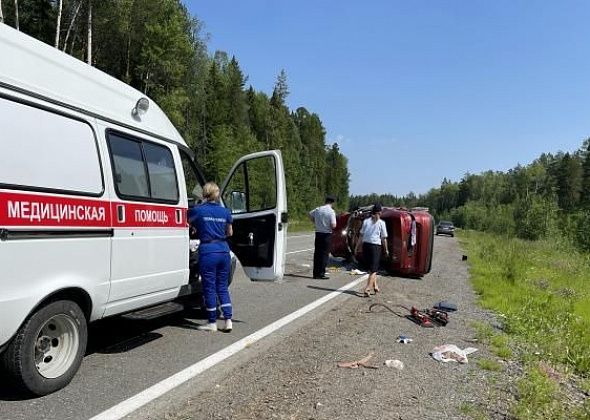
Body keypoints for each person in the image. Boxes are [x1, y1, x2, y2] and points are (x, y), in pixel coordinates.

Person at [189, 182, 234, 332]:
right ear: (217, 194)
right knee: (222, 287)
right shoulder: (225, 212)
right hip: (223, 250)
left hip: (208, 250)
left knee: (209, 287)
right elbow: (230, 233)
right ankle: (228, 320)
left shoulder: (198, 210)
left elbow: (187, 223)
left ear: (204, 194)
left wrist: (199, 228)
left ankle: (212, 323)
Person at [360, 203, 389, 297]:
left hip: (366, 246)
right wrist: (386, 249)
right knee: (374, 270)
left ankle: (375, 286)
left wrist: (357, 247)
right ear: (380, 212)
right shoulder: (381, 223)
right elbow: (384, 238)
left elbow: (361, 235)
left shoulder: (365, 221)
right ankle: (367, 288)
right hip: (375, 247)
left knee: (371, 268)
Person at [309, 195, 337, 279]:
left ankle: (315, 273)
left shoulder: (318, 209)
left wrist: (315, 222)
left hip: (318, 233)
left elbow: (310, 214)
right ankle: (321, 273)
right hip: (326, 234)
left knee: (317, 254)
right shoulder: (331, 211)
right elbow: (333, 225)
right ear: (332, 202)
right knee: (324, 255)